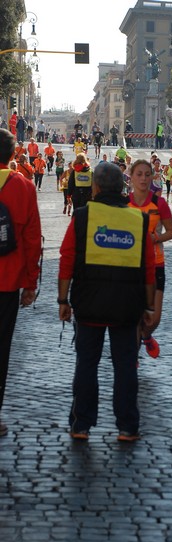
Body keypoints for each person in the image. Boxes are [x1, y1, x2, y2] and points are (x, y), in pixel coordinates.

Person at [58, 162, 156, 441]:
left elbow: (66, 259)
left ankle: (81, 424)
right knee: (125, 366)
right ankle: (127, 426)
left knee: (86, 364)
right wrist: (149, 307)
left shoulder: (82, 216)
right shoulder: (138, 219)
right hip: (128, 306)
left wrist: (62, 300)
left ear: (96, 187)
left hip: (89, 304)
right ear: (123, 186)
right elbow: (148, 268)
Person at [0, 128, 42, 436]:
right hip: (8, 281)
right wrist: (30, 282)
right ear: (14, 155)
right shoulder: (24, 187)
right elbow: (31, 240)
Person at [128, 160, 172, 358]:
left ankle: (146, 336)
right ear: (131, 177)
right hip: (131, 265)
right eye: (139, 174)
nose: (143, 178)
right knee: (133, 316)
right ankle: (133, 356)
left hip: (156, 263)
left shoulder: (159, 203)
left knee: (154, 318)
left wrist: (156, 237)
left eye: (147, 174)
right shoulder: (124, 203)